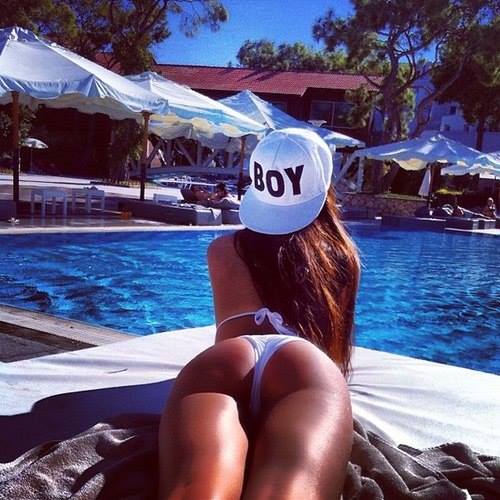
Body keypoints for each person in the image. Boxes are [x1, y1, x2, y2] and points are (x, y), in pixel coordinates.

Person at [158, 128, 360, 499]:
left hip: (226, 360)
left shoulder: (222, 250)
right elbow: (333, 356)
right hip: (303, 367)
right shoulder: (342, 257)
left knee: (194, 490)